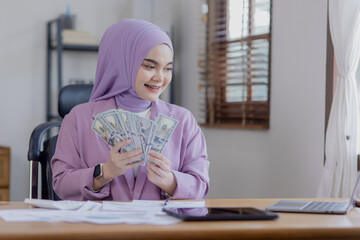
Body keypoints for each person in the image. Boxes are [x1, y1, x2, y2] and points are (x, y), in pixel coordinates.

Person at [51, 19, 210, 201]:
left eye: (168, 69)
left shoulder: (184, 121)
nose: (160, 78)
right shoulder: (79, 119)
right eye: (150, 66)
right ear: (121, 62)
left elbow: (201, 185)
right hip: (98, 227)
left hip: (161, 228)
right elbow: (61, 184)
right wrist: (105, 172)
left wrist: (169, 181)